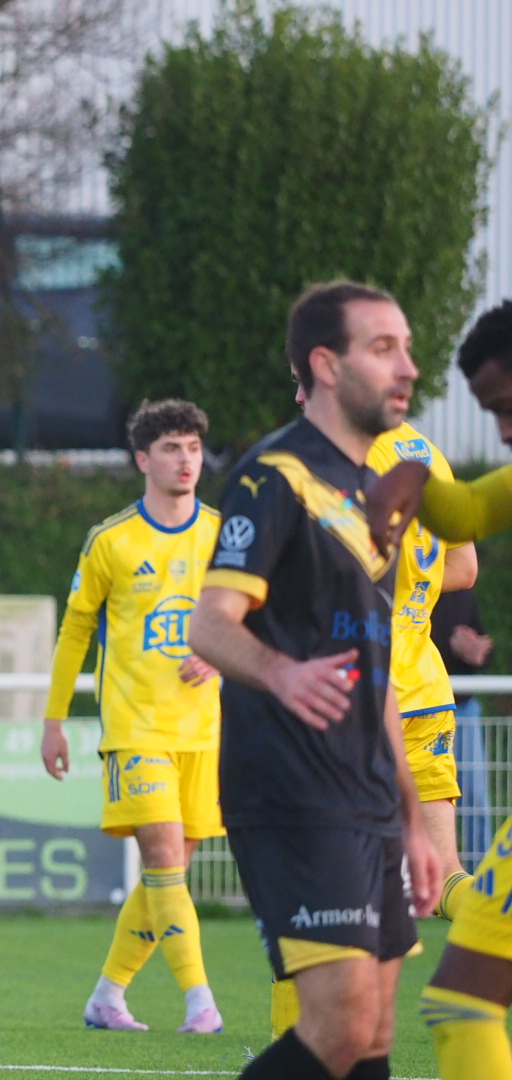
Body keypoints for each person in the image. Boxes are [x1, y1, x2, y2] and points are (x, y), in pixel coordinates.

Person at [186, 280, 437, 1080]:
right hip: (293, 790)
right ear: (326, 365)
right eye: (384, 348)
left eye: (407, 348)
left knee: (374, 1034)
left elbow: (376, 674)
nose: (408, 368)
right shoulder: (275, 475)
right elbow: (209, 624)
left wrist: (412, 815)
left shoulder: (374, 498)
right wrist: (282, 672)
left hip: (368, 798)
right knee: (339, 1023)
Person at [268, 397, 480, 1038]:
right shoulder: (429, 454)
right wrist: (409, 591)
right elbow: (464, 567)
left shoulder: (340, 457)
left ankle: (293, 1049)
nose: (300, 398)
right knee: (445, 874)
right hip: (426, 689)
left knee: (307, 877)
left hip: (357, 695)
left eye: (304, 383)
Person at [33, 399, 224, 1034]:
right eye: (171, 448)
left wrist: (219, 656)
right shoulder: (112, 540)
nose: (186, 459)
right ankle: (200, 1002)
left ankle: (107, 995)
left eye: (193, 447)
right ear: (143, 459)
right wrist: (54, 720)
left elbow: (256, 610)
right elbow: (74, 631)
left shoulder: (224, 534)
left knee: (167, 875)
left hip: (203, 730)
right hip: (135, 728)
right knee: (165, 861)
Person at [364, 297, 512, 1080]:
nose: (503, 433)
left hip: (377, 693)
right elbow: (469, 522)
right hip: (417, 686)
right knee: (459, 1002)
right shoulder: (417, 455)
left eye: (507, 406)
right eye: (491, 414)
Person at [433, 588, 493, 859]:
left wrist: (478, 651)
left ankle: (482, 876)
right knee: (424, 797)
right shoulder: (411, 587)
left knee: (474, 799)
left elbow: (483, 649)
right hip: (423, 709)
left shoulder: (464, 593)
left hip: (463, 709)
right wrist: (452, 646)